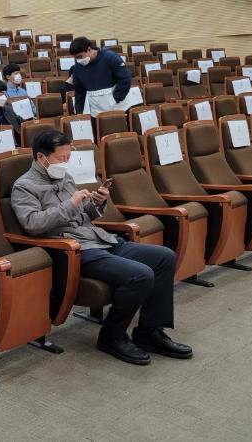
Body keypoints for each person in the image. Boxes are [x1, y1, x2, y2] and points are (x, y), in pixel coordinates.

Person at [11, 129, 191, 366]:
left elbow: (83, 216)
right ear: (41, 157)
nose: (65, 162)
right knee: (141, 275)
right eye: (60, 157)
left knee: (164, 257)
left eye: (68, 157)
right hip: (73, 250)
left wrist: (98, 203)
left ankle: (149, 331)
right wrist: (70, 203)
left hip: (100, 239)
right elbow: (33, 224)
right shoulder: (23, 186)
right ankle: (112, 335)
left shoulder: (65, 177)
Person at [70, 36, 133, 116]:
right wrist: (79, 112)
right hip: (96, 111)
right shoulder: (78, 68)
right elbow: (79, 92)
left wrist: (116, 98)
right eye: (76, 58)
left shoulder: (110, 57)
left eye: (80, 57)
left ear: (89, 49)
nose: (78, 60)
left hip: (118, 107)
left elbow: (125, 79)